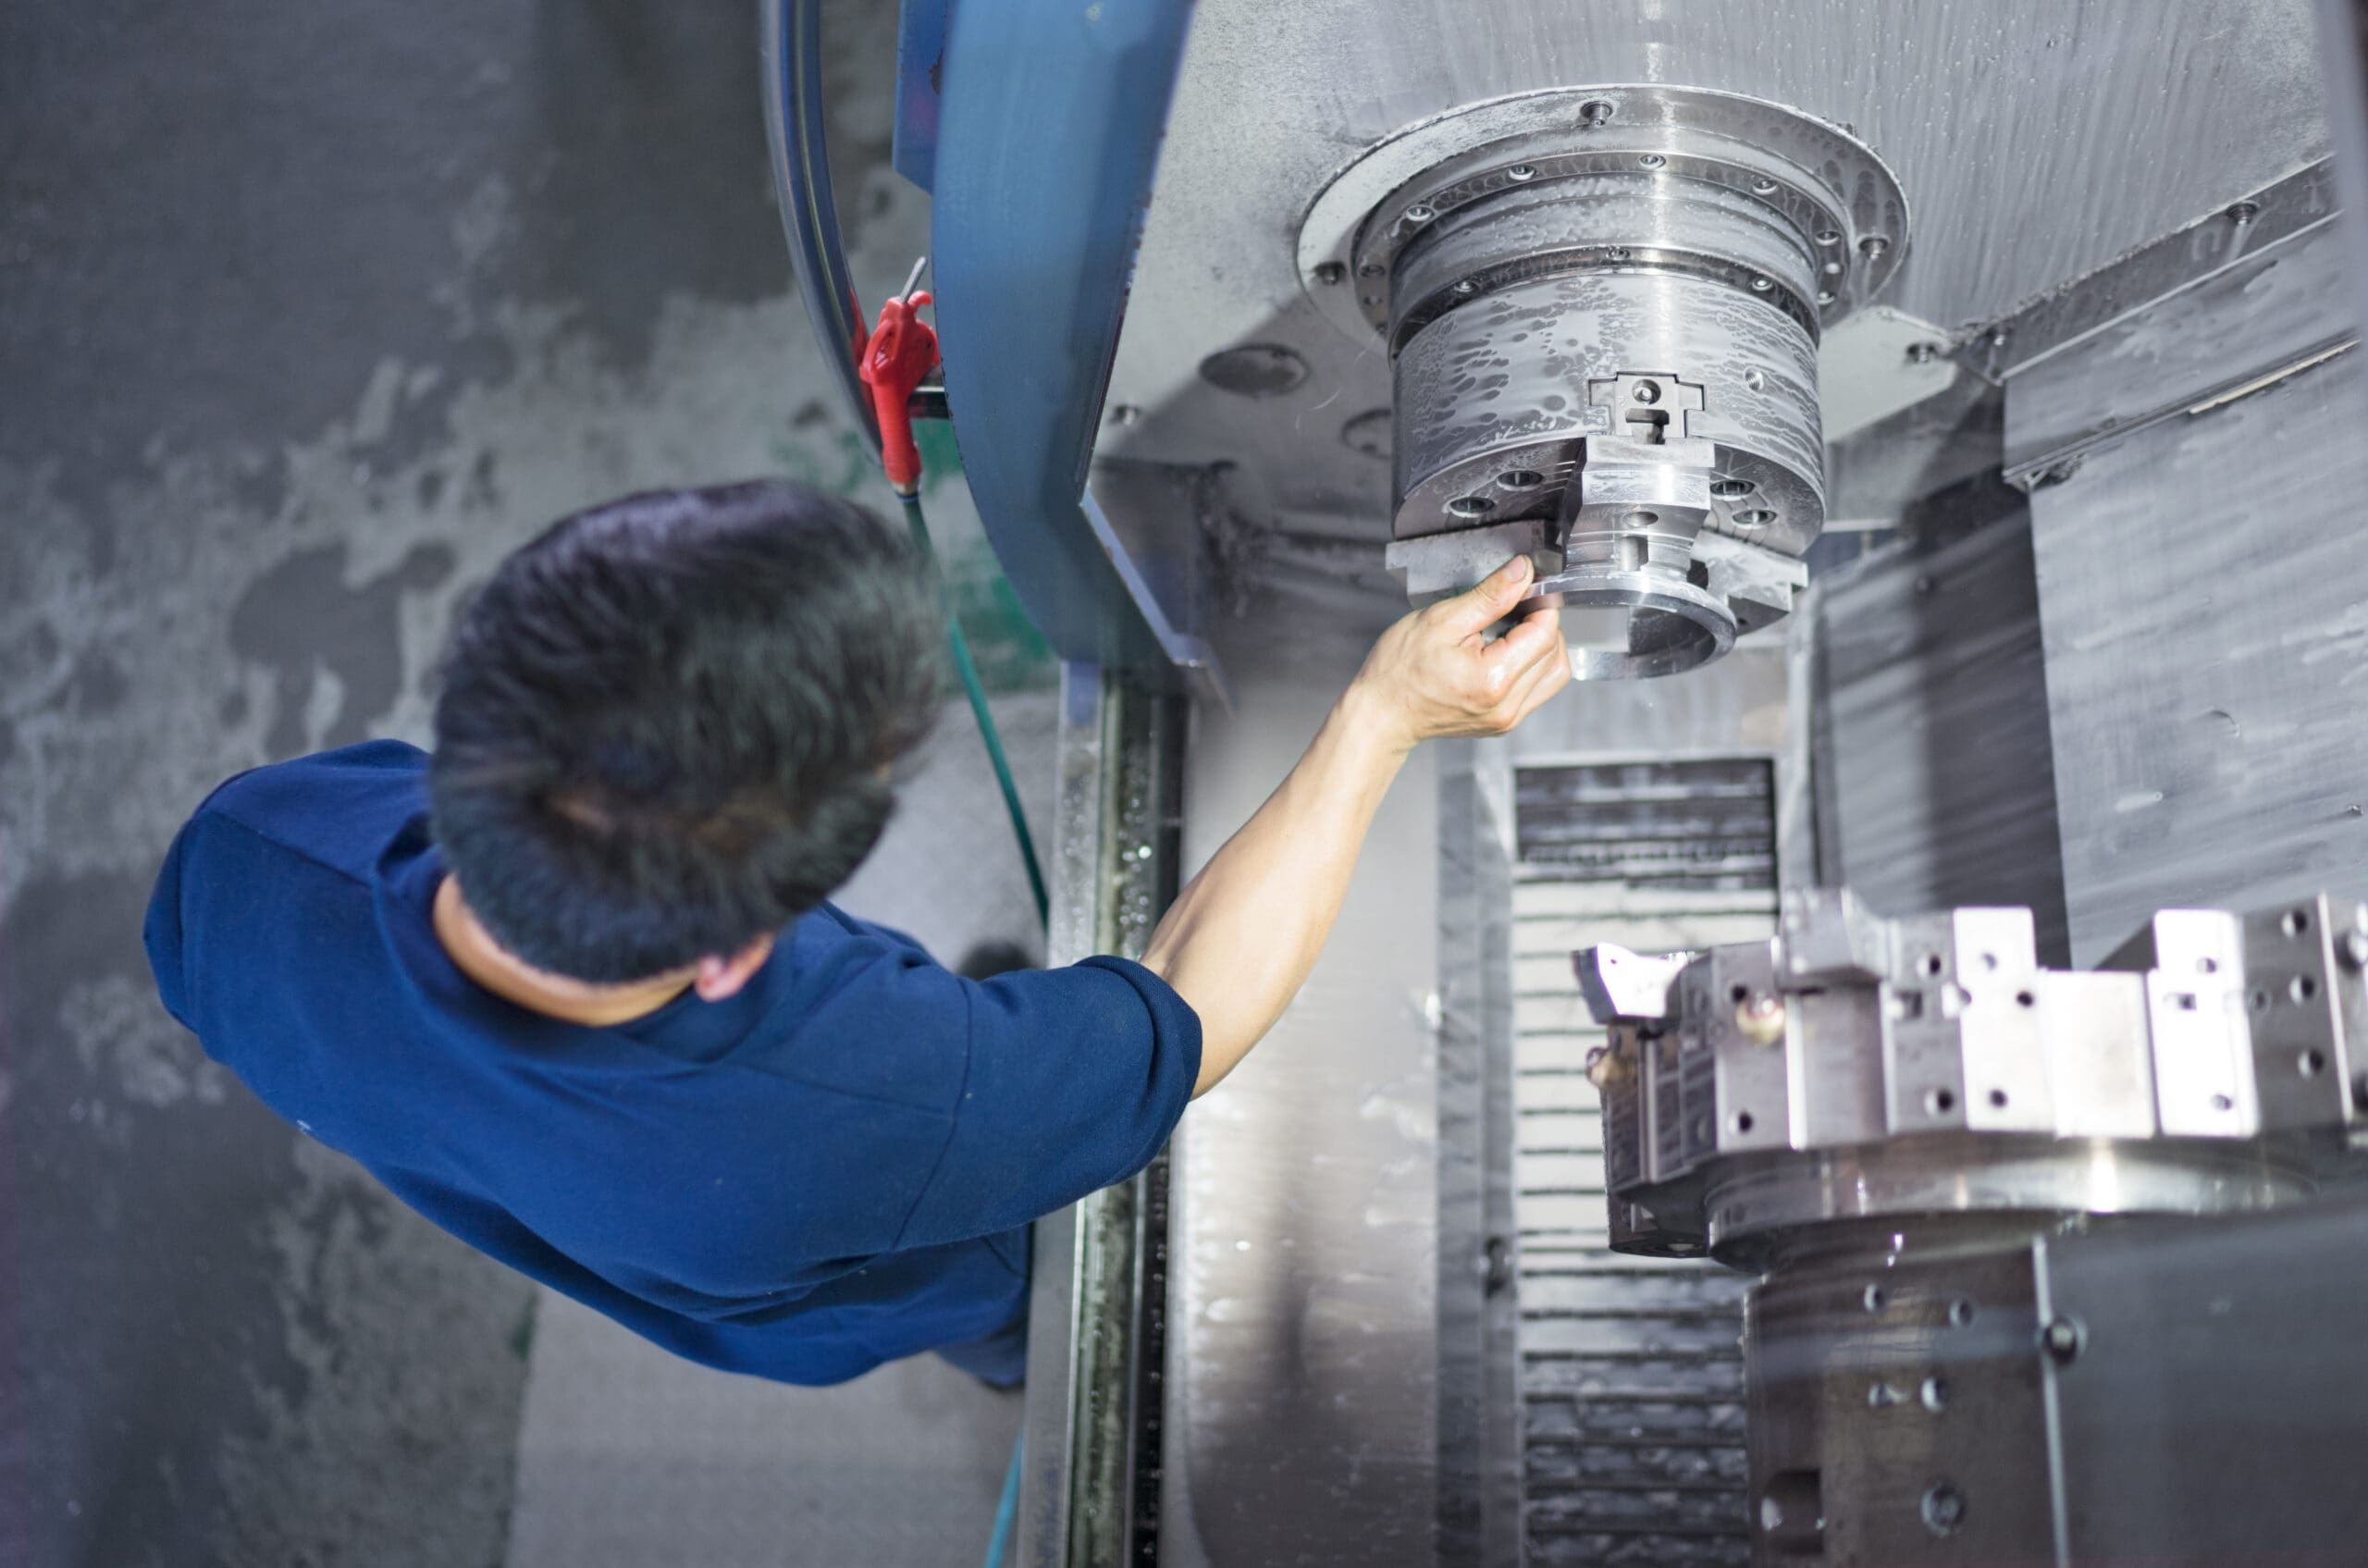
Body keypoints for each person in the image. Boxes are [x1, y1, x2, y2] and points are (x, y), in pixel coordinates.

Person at [143, 480, 1570, 1388]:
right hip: (828, 1242)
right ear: (731, 957)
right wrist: (1383, 717)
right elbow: (1180, 1015)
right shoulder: (872, 1101)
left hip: (575, 1197)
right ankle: (1013, 1353)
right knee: (997, 1287)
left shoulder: (254, 853)